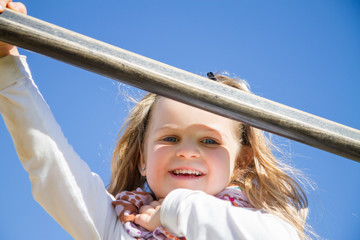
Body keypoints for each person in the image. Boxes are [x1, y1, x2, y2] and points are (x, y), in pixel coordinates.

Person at [0, 1, 310, 239]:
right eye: (169, 138)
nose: (187, 151)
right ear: (142, 159)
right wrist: (6, 63)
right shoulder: (121, 224)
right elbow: (52, 167)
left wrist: (175, 209)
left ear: (242, 161)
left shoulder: (259, 222)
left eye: (209, 141)